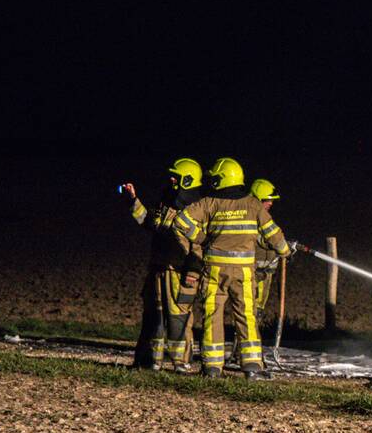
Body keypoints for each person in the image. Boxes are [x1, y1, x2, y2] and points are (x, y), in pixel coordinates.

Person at [174, 157, 291, 379]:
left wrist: (201, 239)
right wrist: (286, 252)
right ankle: (252, 366)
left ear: (223, 178)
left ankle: (212, 367)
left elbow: (181, 221)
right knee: (246, 316)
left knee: (212, 316)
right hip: (244, 273)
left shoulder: (209, 202)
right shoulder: (253, 204)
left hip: (214, 271)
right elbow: (274, 235)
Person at [121, 158, 203, 372]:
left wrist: (194, 270)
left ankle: (181, 364)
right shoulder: (166, 202)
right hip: (158, 269)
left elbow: (201, 244)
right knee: (153, 316)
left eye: (176, 176)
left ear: (188, 179)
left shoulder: (198, 208)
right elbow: (150, 223)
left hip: (180, 272)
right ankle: (150, 361)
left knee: (179, 318)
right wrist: (133, 201)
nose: (172, 179)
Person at [228, 178, 296, 364]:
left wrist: (285, 247)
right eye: (267, 199)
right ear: (257, 199)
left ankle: (246, 353)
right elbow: (263, 239)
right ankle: (245, 355)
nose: (271, 203)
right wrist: (284, 248)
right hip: (251, 274)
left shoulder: (262, 215)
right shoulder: (250, 215)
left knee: (255, 314)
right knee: (246, 314)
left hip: (264, 276)